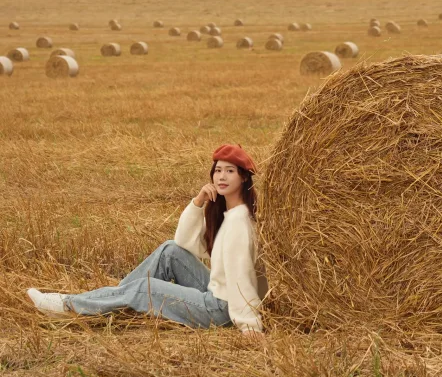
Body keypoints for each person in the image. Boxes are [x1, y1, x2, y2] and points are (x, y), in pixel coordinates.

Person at [27, 143, 264, 336]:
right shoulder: (230, 214)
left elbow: (241, 277)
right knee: (170, 250)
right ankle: (113, 300)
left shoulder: (238, 223)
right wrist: (198, 202)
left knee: (144, 288)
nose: (221, 177)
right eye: (218, 170)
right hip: (218, 293)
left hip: (222, 310)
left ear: (243, 178)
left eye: (230, 171)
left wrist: (249, 326)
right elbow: (183, 242)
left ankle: (69, 306)